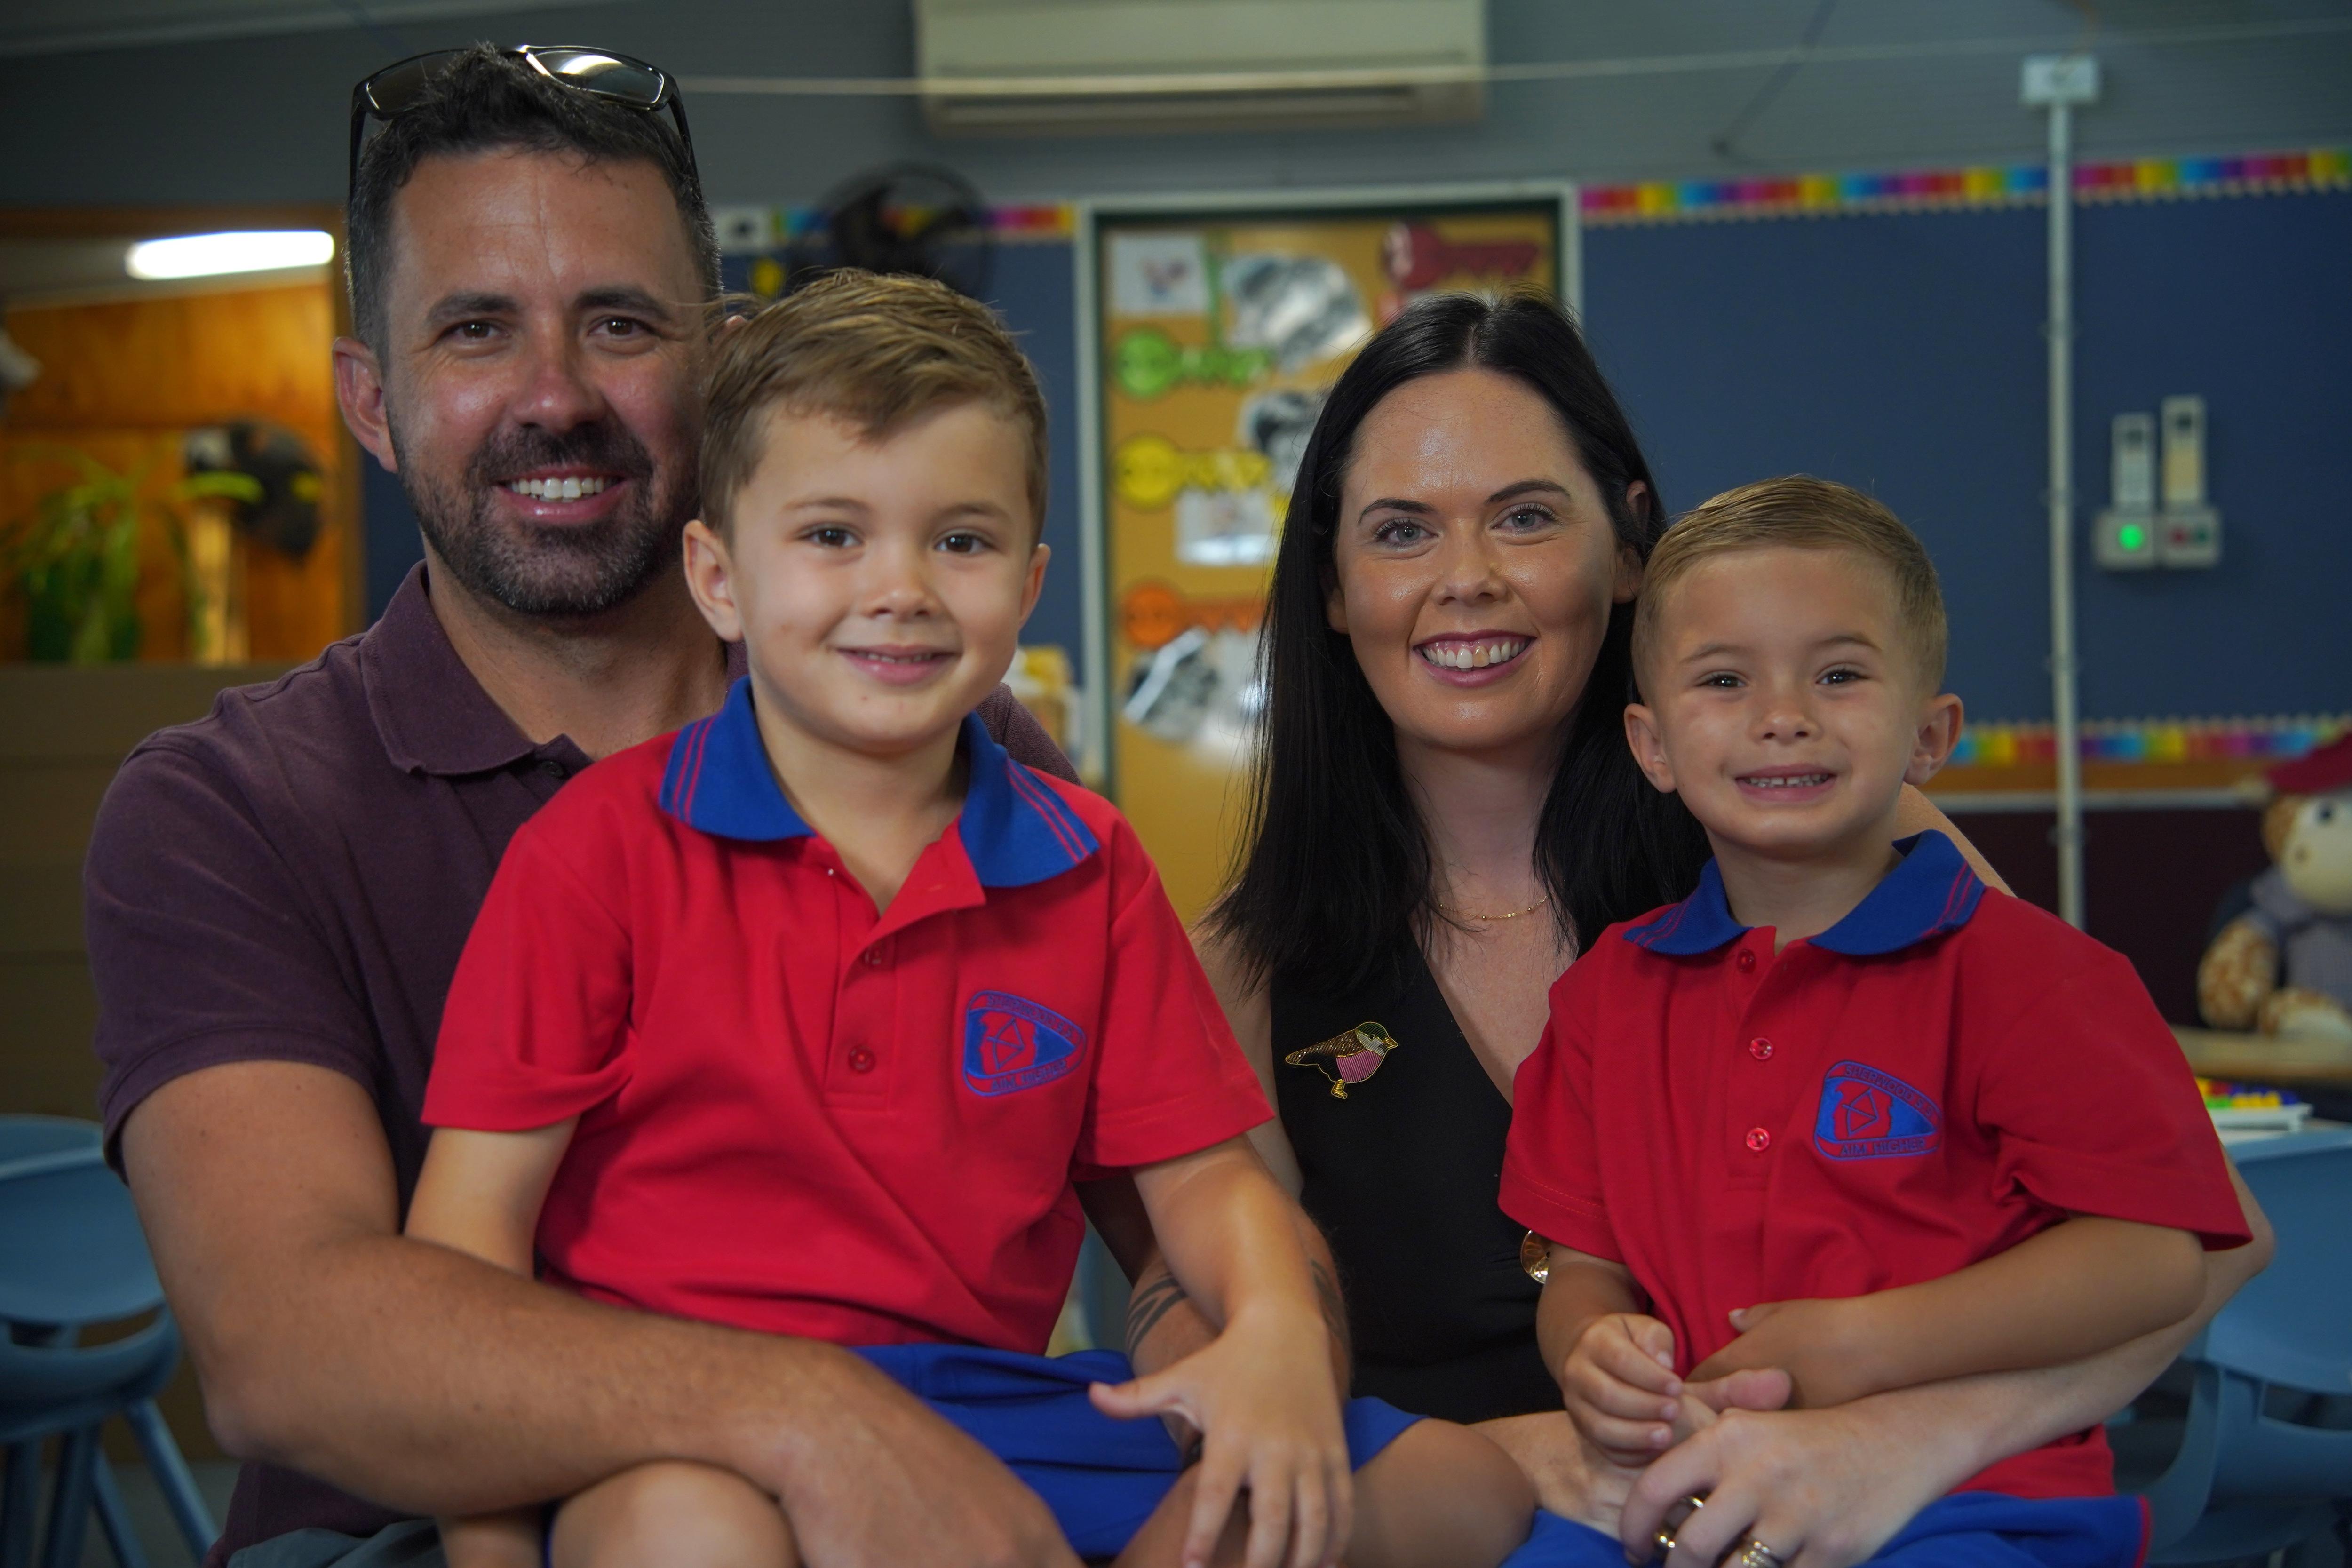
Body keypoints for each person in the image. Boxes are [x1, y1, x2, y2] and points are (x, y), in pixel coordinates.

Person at [86, 47, 1105, 1568]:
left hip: (917, 1500)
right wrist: (809, 1412)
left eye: (620, 324)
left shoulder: (949, 734)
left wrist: (1243, 1344)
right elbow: (284, 1344)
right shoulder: (226, 808)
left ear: (726, 362)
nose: (555, 397)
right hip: (413, 1537)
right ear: (373, 401)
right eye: (475, 330)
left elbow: (1181, 1189)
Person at [1111, 291, 2273, 1568]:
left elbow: (2209, 1240)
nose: (1467, 578)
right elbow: (1231, 1346)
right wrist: (1507, 1458)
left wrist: (1907, 1440)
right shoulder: (1255, 956)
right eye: (1401, 530)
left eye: (1527, 515)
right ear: (1333, 586)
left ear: (1629, 547)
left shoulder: (1832, 843)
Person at [403, 270, 1536, 1568]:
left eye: (961, 539)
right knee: (685, 1530)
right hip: (681, 1432)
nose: (902, 588)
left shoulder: (1084, 861)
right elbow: (466, 1249)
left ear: (1030, 577)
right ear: (717, 577)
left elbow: (1209, 1177)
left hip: (997, 1414)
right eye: (833, 535)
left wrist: (1277, 1330)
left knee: (1457, 1482)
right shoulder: (595, 854)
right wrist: (488, 1549)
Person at [1501, 477, 2253, 1567]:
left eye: (1839, 673)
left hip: (1976, 1507)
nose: (1782, 714)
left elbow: (2152, 1263)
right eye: (1723, 678)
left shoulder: (2035, 975)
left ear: (1928, 735)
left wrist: (1865, 1341)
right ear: (1652, 745)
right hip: (1686, 1494)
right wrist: (1588, 1345)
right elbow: (1581, 1264)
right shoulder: (1606, 996)